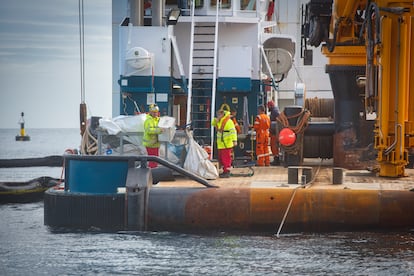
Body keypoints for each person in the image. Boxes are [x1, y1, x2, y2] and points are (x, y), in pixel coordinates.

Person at [212, 109, 238, 178]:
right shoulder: (219, 121)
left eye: (219, 115)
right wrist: (216, 120)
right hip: (221, 144)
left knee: (226, 158)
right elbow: (213, 123)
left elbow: (233, 131)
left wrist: (234, 140)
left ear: (222, 114)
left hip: (226, 143)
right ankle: (224, 171)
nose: (218, 116)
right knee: (221, 158)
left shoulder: (228, 122)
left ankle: (227, 172)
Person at [143, 104, 164, 168]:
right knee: (153, 161)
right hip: (150, 143)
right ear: (150, 112)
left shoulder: (158, 119)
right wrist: (159, 130)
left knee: (155, 160)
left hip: (155, 143)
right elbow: (149, 130)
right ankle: (152, 174)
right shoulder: (148, 120)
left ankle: (153, 174)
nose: (155, 114)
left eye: (156, 112)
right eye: (154, 112)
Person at [267, 100, 280, 165]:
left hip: (274, 133)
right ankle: (276, 158)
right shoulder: (275, 111)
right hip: (274, 132)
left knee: (274, 146)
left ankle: (276, 159)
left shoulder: (274, 112)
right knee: (274, 146)